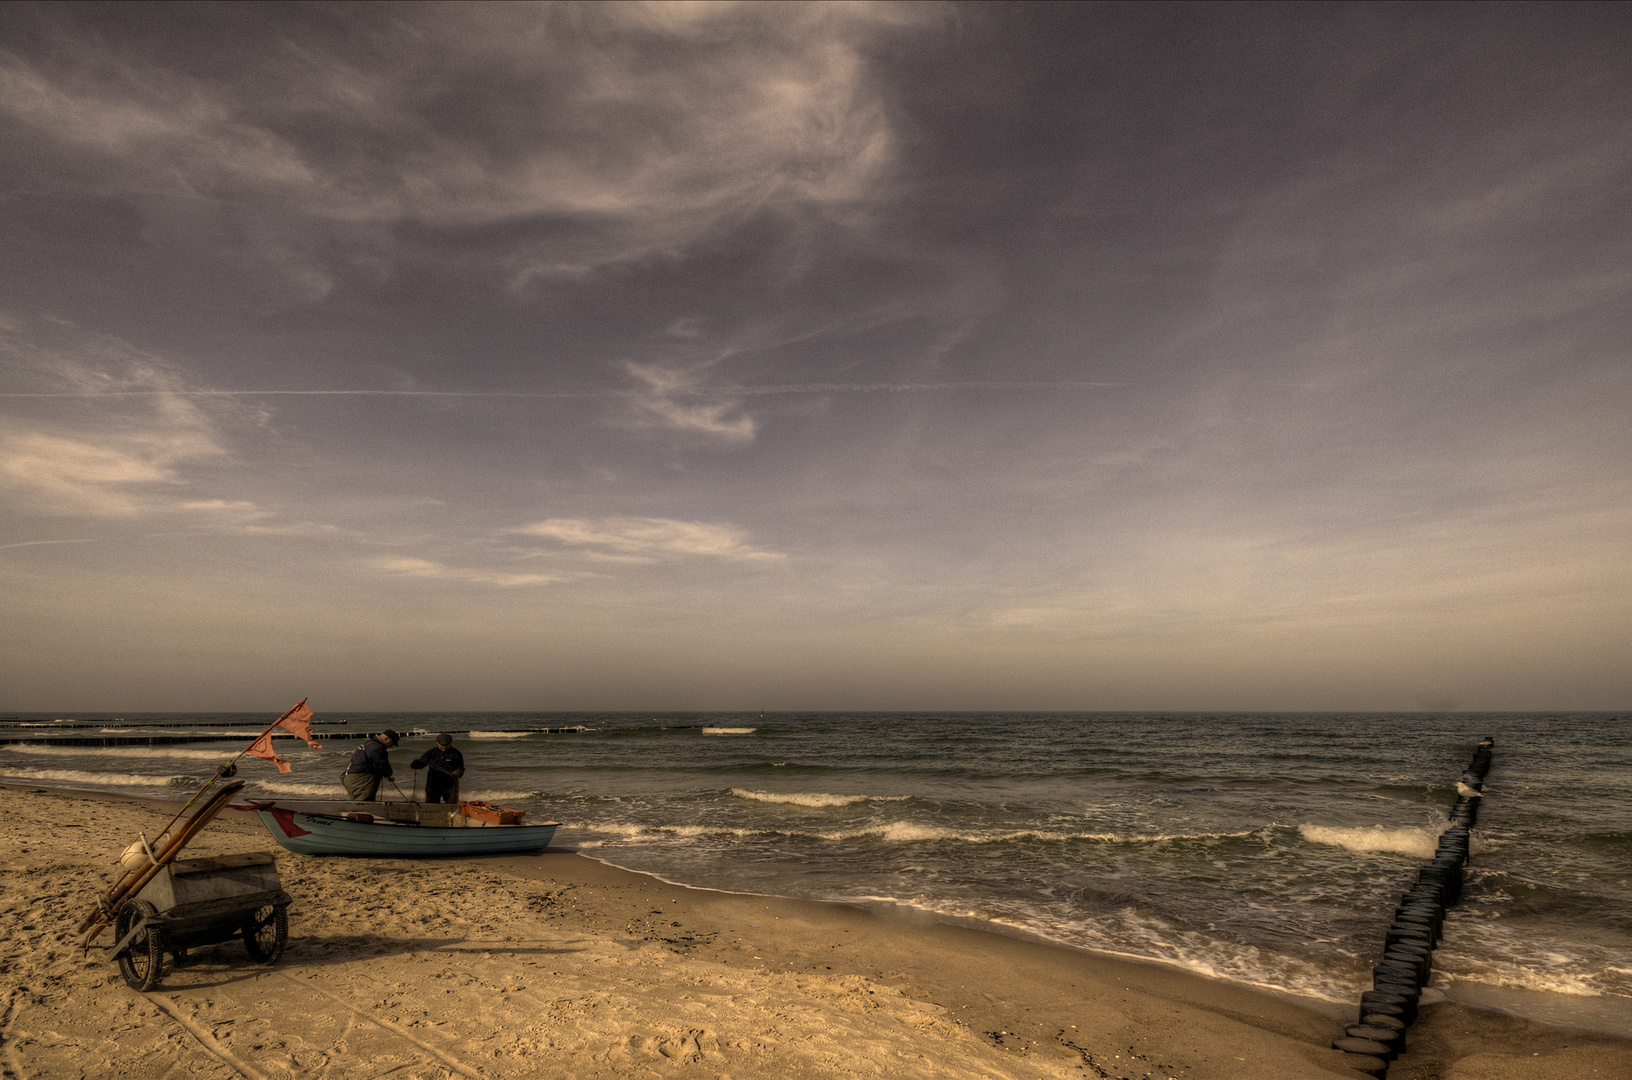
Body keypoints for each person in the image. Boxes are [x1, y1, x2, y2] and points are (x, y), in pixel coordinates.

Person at [342, 729, 399, 801]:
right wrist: (388, 773)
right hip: (360, 780)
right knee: (364, 805)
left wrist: (385, 774)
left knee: (361, 804)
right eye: (392, 743)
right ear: (386, 738)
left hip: (351, 778)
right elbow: (381, 764)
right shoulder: (376, 747)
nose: (391, 746)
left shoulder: (369, 743)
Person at [411, 733, 465, 804]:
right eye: (442, 745)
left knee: (452, 805)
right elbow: (423, 763)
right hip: (433, 784)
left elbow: (461, 768)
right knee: (431, 805)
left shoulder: (456, 754)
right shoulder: (432, 752)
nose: (444, 747)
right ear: (437, 743)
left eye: (446, 745)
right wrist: (417, 764)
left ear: (450, 743)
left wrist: (457, 773)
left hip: (449, 785)